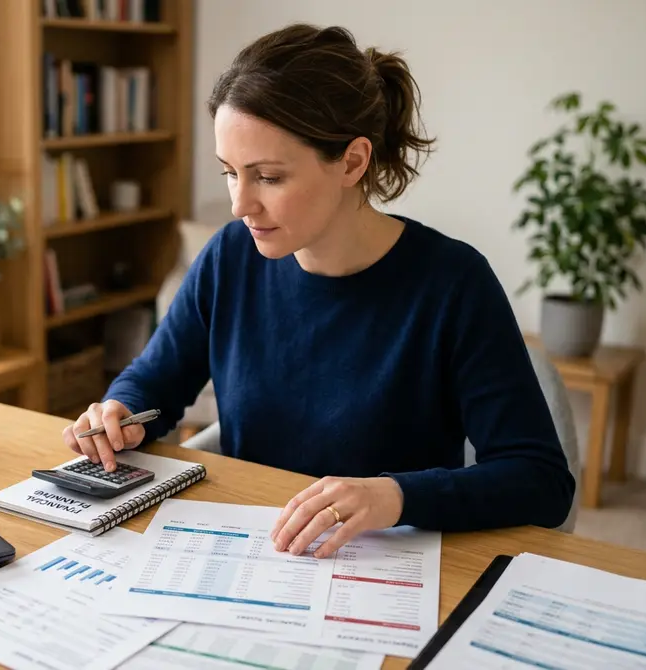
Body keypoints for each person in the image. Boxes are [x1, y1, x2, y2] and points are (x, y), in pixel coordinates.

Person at [62, 23, 575, 559]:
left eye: (268, 177)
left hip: (386, 562)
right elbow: (155, 382)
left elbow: (540, 481)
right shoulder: (230, 257)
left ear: (352, 161)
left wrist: (395, 496)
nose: (240, 205)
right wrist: (120, 412)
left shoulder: (453, 284)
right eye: (230, 173)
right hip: (254, 552)